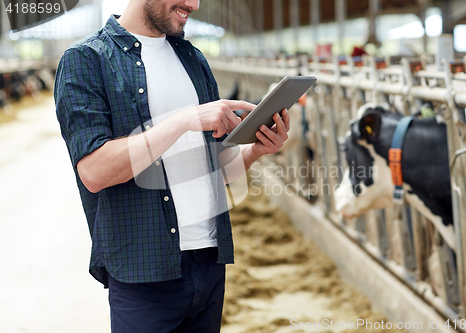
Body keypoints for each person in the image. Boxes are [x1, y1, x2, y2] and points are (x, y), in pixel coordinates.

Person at [54, 0, 290, 332]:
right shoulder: (86, 60)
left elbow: (212, 172)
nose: (193, 4)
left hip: (208, 262)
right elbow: (94, 172)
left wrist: (254, 151)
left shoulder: (193, 59)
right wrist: (185, 119)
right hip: (143, 272)